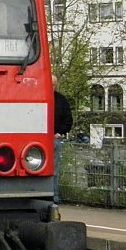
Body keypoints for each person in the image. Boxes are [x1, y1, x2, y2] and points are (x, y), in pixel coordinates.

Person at [53, 75, 74, 204]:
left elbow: (68, 120)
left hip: (54, 138)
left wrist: (59, 132)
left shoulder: (61, 100)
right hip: (43, 138)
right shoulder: (60, 100)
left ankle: (54, 196)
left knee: (54, 170)